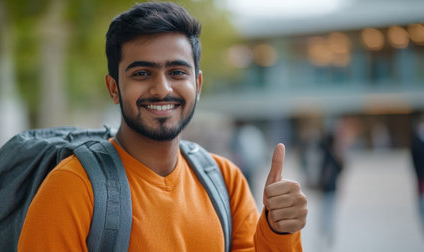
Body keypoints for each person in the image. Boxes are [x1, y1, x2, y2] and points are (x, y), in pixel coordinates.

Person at [18, 2, 307, 251]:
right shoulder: (71, 188)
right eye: (142, 73)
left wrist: (278, 230)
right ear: (114, 88)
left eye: (177, 72)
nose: (162, 88)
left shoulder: (225, 180)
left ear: (198, 84)